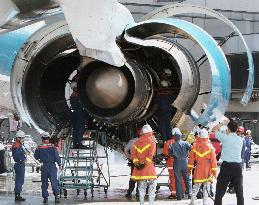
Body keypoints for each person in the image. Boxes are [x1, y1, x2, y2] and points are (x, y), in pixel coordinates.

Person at [212, 118, 244, 205]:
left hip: (226, 167)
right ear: (237, 129)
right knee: (239, 193)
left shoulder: (225, 138)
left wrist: (223, 123)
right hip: (238, 167)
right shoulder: (241, 139)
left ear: (228, 128)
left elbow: (214, 129)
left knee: (219, 192)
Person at [188, 128, 217, 205]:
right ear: (207, 136)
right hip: (207, 169)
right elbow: (213, 162)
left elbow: (191, 160)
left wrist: (189, 169)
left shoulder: (194, 146)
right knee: (206, 188)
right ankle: (205, 203)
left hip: (198, 168)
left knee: (196, 187)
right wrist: (214, 173)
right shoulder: (210, 147)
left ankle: (192, 202)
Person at [131, 124, 157, 205]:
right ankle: (151, 203)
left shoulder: (135, 142)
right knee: (152, 186)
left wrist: (137, 163)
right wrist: (145, 163)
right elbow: (150, 155)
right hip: (148, 167)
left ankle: (141, 203)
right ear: (150, 132)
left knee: (141, 187)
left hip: (139, 168)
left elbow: (133, 154)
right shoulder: (152, 142)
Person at [34, 132, 61, 203]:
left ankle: (45, 198)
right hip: (52, 167)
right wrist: (60, 164)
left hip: (44, 166)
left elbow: (36, 157)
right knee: (54, 182)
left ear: (42, 138)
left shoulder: (39, 147)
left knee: (44, 183)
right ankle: (56, 197)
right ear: (49, 138)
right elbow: (57, 157)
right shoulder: (52, 146)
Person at [169, 128, 192, 200]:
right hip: (185, 162)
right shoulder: (185, 143)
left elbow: (171, 154)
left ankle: (179, 196)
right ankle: (190, 194)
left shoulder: (171, 145)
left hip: (177, 162)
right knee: (187, 179)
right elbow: (192, 149)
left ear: (174, 136)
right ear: (180, 136)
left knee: (178, 179)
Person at [70, 74, 87, 149]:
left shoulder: (72, 96)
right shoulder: (78, 96)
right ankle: (79, 143)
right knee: (80, 127)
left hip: (75, 113)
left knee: (76, 128)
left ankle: (75, 144)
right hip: (79, 112)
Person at [227, 126, 246, 194]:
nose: (238, 133)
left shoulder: (242, 140)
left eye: (239, 132)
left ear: (242, 132)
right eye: (237, 131)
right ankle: (231, 187)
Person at [124, 128, 142, 199]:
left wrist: (128, 157)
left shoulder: (132, 141)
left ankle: (129, 192)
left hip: (133, 162)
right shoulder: (146, 141)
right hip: (142, 162)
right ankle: (138, 193)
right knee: (141, 178)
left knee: (133, 177)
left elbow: (125, 149)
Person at [12, 130, 26, 202]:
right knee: (19, 181)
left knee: (20, 180)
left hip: (20, 164)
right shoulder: (17, 145)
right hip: (19, 164)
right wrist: (22, 160)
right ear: (18, 138)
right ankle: (17, 196)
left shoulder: (19, 145)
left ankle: (18, 194)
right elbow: (17, 155)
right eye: (22, 138)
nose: (23, 140)